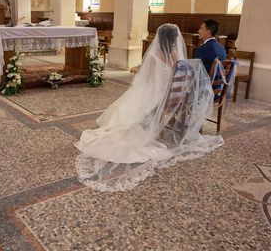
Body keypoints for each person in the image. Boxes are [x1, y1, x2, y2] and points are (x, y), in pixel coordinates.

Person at [75, 24, 223, 192]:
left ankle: (137, 122)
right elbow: (181, 74)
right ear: (175, 40)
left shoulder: (154, 56)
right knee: (129, 101)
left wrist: (137, 76)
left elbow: (147, 79)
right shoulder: (177, 56)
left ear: (159, 39)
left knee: (129, 101)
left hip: (158, 96)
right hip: (171, 97)